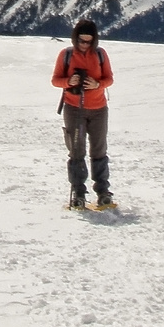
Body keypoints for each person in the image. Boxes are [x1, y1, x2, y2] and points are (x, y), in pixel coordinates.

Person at [53, 19, 115, 209]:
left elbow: (109, 78)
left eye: (89, 41)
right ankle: (78, 192)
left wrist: (98, 84)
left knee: (99, 150)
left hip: (98, 109)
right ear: (75, 38)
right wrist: (69, 81)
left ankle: (103, 191)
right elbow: (55, 80)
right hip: (74, 108)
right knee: (76, 151)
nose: (85, 45)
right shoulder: (66, 55)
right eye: (81, 41)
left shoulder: (100, 54)